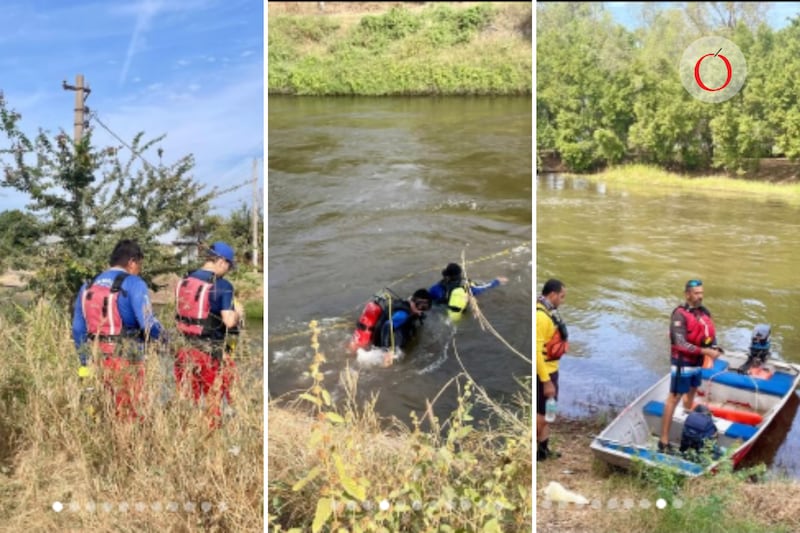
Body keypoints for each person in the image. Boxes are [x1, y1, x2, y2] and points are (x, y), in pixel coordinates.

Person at [72, 239, 164, 420]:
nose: (139, 270)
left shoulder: (88, 285)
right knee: (130, 417)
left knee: (100, 413)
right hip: (126, 361)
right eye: (139, 265)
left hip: (96, 359)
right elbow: (148, 324)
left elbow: (77, 329)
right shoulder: (134, 283)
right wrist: (166, 339)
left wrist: (85, 363)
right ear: (132, 262)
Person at [174, 241, 242, 427]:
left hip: (183, 351)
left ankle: (186, 435)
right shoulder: (223, 285)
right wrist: (238, 313)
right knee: (214, 404)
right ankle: (212, 438)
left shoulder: (184, 281)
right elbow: (229, 321)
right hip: (208, 354)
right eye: (228, 266)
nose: (228, 271)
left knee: (188, 403)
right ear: (221, 262)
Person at [659, 279, 722, 454]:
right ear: (687, 294)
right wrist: (705, 351)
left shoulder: (704, 312)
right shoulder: (679, 315)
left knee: (692, 390)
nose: (700, 296)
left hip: (697, 362)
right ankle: (663, 440)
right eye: (696, 293)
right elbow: (679, 343)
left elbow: (710, 335)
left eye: (701, 293)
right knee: (674, 398)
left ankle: (689, 424)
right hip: (682, 363)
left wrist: (714, 348)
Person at [536, 278, 568, 461]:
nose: (562, 301)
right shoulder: (541, 317)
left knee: (548, 413)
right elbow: (537, 352)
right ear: (553, 294)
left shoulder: (548, 312)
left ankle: (543, 451)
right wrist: (546, 381)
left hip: (551, 370)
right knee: (542, 415)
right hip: (545, 373)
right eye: (561, 297)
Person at [428, 263, 508, 320]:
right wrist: (496, 282)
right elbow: (483, 288)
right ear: (459, 275)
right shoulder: (466, 288)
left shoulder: (435, 288)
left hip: (440, 312)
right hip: (456, 315)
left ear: (446, 275)